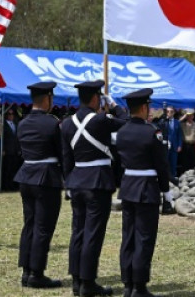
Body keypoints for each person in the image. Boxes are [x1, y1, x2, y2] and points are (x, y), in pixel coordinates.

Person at [61, 80, 126, 297]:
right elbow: (126, 121)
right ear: (97, 98)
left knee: (77, 232)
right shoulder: (100, 120)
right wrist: (114, 105)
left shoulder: (67, 123)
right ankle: (88, 283)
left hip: (76, 181)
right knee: (93, 234)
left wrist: (68, 183)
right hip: (97, 181)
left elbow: (67, 158)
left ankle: (77, 281)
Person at [115, 88, 171, 297]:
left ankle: (128, 284)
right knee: (144, 238)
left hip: (128, 186)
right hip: (146, 188)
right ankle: (139, 286)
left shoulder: (122, 132)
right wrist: (166, 192)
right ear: (145, 107)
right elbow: (161, 165)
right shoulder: (152, 132)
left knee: (128, 236)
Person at [14, 81, 64, 290]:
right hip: (46, 177)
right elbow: (61, 151)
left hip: (26, 176)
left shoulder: (23, 123)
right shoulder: (52, 123)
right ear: (47, 99)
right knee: (43, 227)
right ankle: (37, 273)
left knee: (30, 224)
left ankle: (26, 270)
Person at [2, 107, 22, 191]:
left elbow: (17, 138)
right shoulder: (4, 125)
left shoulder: (15, 124)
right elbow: (3, 138)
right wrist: (3, 149)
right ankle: (5, 186)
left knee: (13, 169)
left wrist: (18, 149)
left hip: (14, 150)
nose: (11, 116)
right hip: (7, 150)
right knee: (7, 169)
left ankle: (12, 185)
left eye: (12, 114)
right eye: (9, 114)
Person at [178, 110, 195, 175]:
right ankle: (184, 176)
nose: (189, 117)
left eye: (191, 115)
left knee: (192, 162)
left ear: (193, 116)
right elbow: (176, 123)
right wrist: (183, 117)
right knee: (184, 162)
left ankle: (192, 176)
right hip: (185, 145)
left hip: (193, 145)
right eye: (188, 116)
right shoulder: (182, 124)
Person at [165, 108, 182, 181]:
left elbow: (180, 135)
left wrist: (179, 145)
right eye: (168, 111)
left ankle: (173, 177)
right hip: (166, 146)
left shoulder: (177, 122)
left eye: (171, 112)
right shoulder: (164, 122)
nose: (169, 113)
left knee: (173, 163)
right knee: (165, 163)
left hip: (175, 146)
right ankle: (166, 178)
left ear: (174, 113)